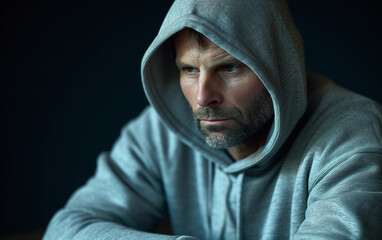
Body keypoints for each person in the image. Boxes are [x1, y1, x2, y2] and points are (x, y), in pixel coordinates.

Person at [43, 0, 382, 239]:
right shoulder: (159, 132)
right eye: (189, 70)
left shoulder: (351, 133)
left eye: (229, 67)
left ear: (277, 69)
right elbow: (68, 228)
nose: (204, 98)